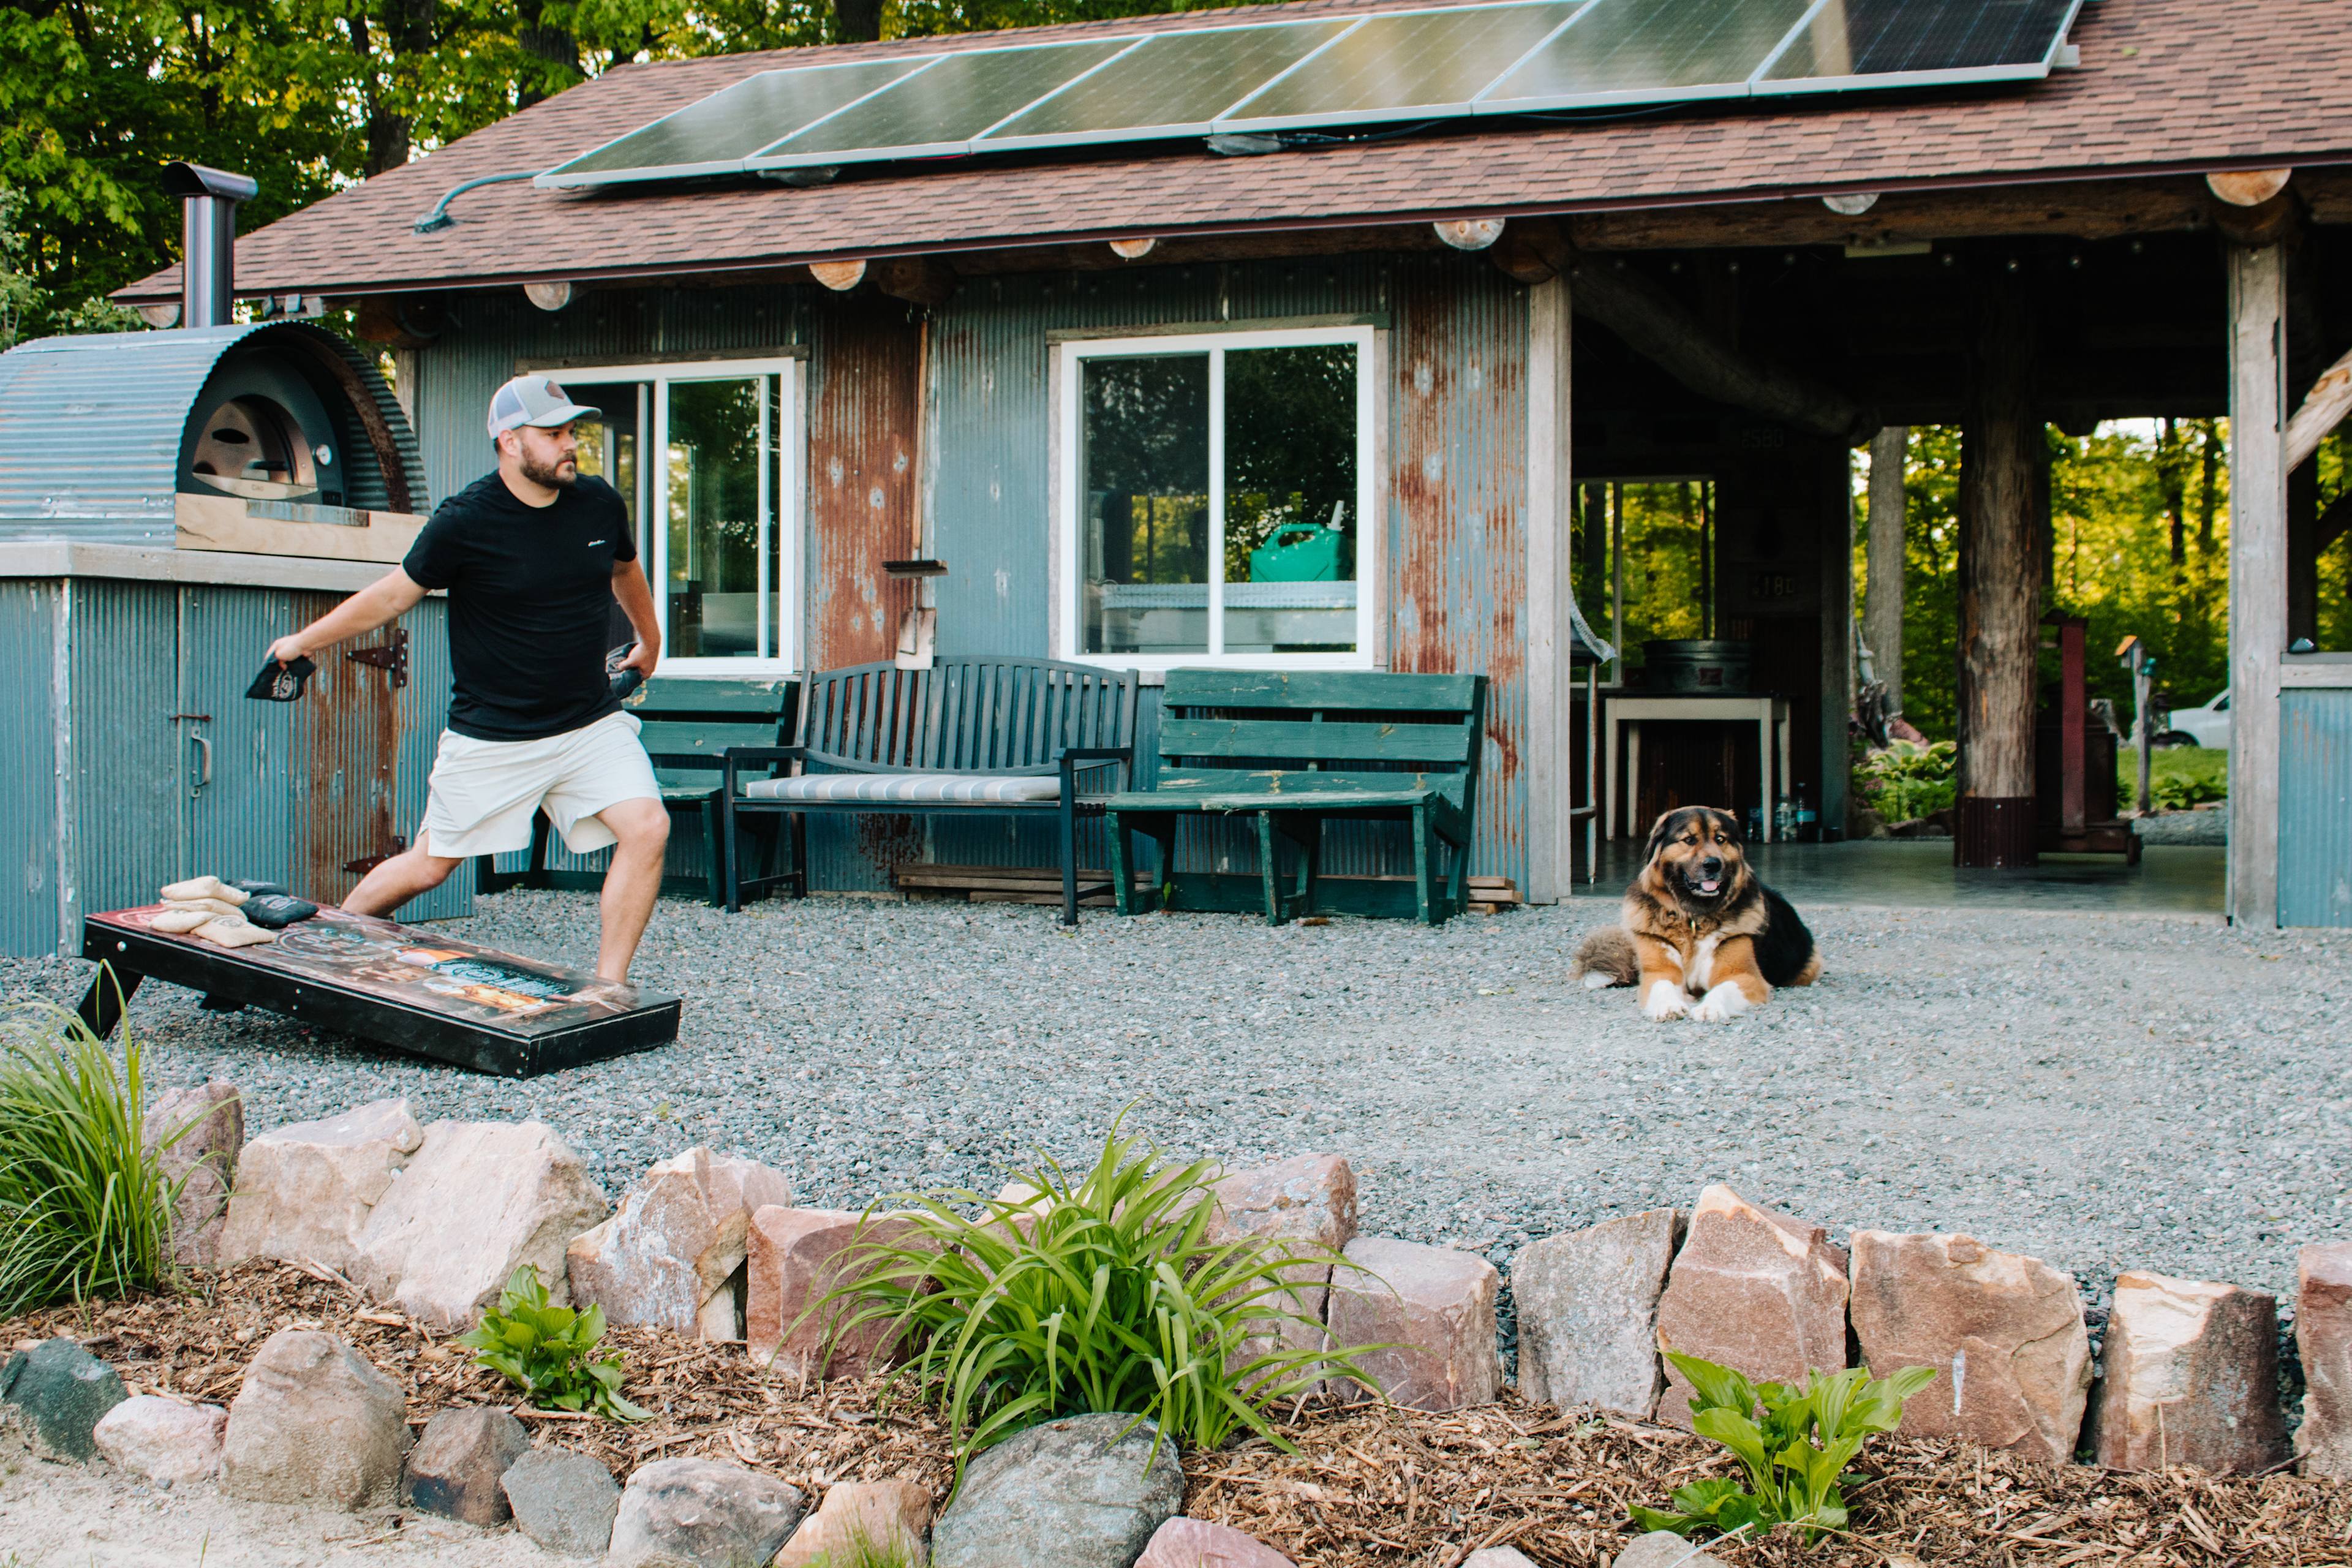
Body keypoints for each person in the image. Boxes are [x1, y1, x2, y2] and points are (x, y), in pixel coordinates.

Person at [266, 374, 667, 982]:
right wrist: (301, 641)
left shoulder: (598, 502)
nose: (570, 444)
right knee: (429, 866)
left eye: (571, 431)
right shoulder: (466, 520)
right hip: (494, 734)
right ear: (509, 441)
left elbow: (624, 570)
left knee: (648, 827)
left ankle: (608, 989)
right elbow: (392, 597)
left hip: (588, 720)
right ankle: (318, 951)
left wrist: (650, 639)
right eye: (553, 433)